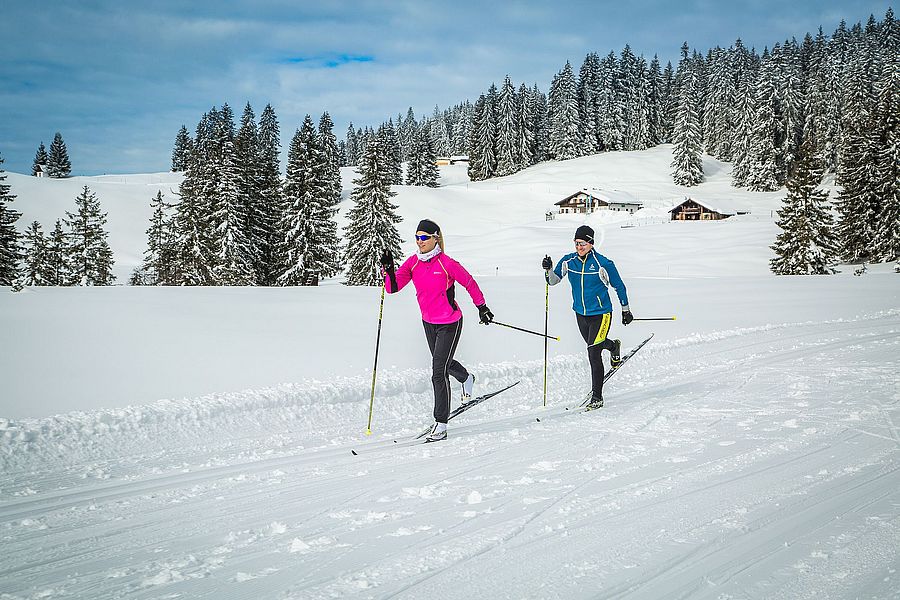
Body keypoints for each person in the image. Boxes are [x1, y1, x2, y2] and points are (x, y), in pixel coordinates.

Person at [380, 219, 494, 442]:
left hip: (450, 322)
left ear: (435, 238)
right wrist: (388, 269)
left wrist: (482, 307)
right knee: (442, 361)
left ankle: (441, 423)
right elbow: (392, 288)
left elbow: (469, 282)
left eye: (424, 237)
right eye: (417, 237)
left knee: (438, 371)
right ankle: (466, 377)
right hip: (428, 322)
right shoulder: (413, 263)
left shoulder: (446, 263)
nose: (420, 241)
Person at [542, 225, 632, 409]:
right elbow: (553, 281)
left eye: (582, 243)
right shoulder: (569, 261)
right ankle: (613, 346)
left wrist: (626, 310)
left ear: (591, 242)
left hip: (602, 313)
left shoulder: (603, 264)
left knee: (593, 352)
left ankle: (597, 396)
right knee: (594, 346)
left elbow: (619, 286)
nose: (579, 247)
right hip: (581, 314)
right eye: (576, 243)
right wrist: (548, 269)